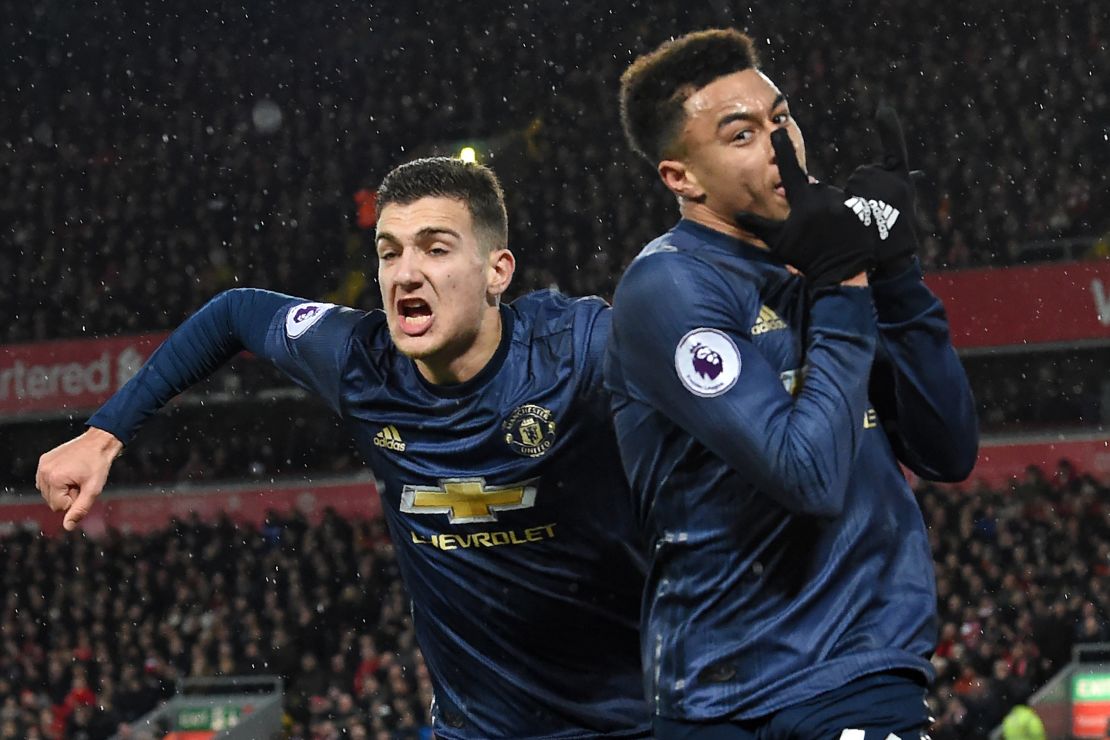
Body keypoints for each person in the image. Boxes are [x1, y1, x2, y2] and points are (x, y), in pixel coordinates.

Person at [36, 157, 651, 739]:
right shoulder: (361, 363)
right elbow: (235, 314)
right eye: (390, 252)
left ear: (498, 270)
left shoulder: (578, 349)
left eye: (436, 249)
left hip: (637, 720)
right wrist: (105, 433)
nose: (406, 271)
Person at [605, 29, 979, 738]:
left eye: (782, 119)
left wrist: (896, 273)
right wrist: (843, 281)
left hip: (860, 672)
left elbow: (947, 449)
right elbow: (805, 474)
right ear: (680, 177)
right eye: (742, 134)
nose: (782, 146)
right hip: (720, 692)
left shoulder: (822, 260)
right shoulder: (669, 286)